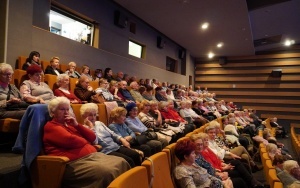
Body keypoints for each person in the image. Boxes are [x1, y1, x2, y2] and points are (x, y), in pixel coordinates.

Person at [43, 97, 130, 187]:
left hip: (91, 156)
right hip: (72, 164)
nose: (66, 112)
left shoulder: (70, 124)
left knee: (122, 162)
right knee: (107, 171)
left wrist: (77, 125)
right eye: (62, 109)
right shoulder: (51, 127)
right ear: (52, 112)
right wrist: (86, 141)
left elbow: (92, 137)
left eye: (67, 109)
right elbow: (72, 141)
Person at [190, 133, 264, 188]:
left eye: (205, 141)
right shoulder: (198, 155)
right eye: (199, 144)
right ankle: (253, 183)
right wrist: (222, 169)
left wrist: (223, 165)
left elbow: (216, 160)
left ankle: (253, 183)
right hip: (216, 174)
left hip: (218, 169)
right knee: (240, 175)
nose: (206, 142)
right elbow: (208, 170)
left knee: (243, 162)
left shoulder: (204, 151)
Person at [80, 103, 141, 167]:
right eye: (90, 115)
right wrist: (91, 127)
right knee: (128, 161)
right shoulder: (83, 128)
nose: (93, 117)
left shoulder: (99, 123)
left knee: (135, 155)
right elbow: (95, 141)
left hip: (115, 146)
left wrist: (122, 139)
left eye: (94, 115)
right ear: (83, 116)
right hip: (105, 151)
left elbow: (112, 133)